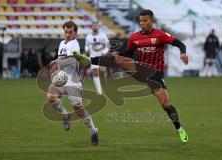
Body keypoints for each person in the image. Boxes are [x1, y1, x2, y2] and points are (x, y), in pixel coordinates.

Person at [75, 9, 189, 143]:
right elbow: (126, 51)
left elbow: (179, 43)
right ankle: (89, 60)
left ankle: (179, 128)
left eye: (145, 20)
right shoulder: (134, 37)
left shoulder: (160, 35)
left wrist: (183, 52)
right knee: (116, 58)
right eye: (141, 21)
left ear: (152, 21)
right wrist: (117, 52)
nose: (142, 23)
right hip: (139, 70)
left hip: (155, 76)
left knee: (166, 104)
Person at [46, 21, 99, 146]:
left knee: (79, 111)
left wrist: (56, 61)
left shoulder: (74, 44)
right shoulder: (61, 43)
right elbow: (60, 63)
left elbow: (72, 61)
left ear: (75, 33)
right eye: (66, 32)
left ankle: (93, 130)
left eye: (70, 32)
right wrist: (54, 73)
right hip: (61, 78)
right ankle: (65, 115)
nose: (68, 34)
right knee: (50, 96)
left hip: (73, 80)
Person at [85, 21, 110, 95]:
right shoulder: (88, 36)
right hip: (93, 55)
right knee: (96, 73)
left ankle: (103, 75)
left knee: (101, 71)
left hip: (101, 55)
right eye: (93, 26)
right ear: (91, 27)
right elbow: (87, 45)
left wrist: (104, 52)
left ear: (98, 27)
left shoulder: (102, 35)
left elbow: (107, 45)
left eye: (96, 26)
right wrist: (87, 50)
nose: (95, 27)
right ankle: (99, 91)